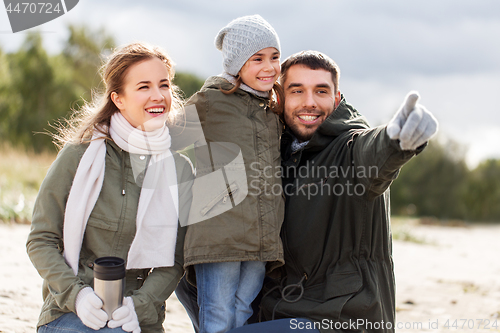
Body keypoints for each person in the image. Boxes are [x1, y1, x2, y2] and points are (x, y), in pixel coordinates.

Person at [176, 50, 438, 333]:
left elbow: (374, 154)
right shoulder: (273, 153)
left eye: (321, 91)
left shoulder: (349, 150)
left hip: (338, 319)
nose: (309, 102)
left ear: (336, 99)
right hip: (275, 311)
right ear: (280, 98)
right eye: (297, 91)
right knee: (189, 248)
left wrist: (397, 139)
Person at [26, 42, 194, 333]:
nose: (158, 96)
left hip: (138, 318)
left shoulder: (180, 170)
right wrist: (77, 296)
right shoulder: (79, 156)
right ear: (118, 99)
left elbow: (175, 261)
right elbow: (40, 239)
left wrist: (137, 307)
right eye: (144, 87)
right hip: (71, 312)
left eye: (164, 85)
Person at [179, 14, 285, 333]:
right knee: (218, 313)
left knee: (242, 311)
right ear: (238, 64)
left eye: (275, 57)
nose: (269, 67)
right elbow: (169, 137)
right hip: (218, 233)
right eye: (258, 59)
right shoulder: (212, 101)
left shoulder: (272, 110)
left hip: (261, 236)